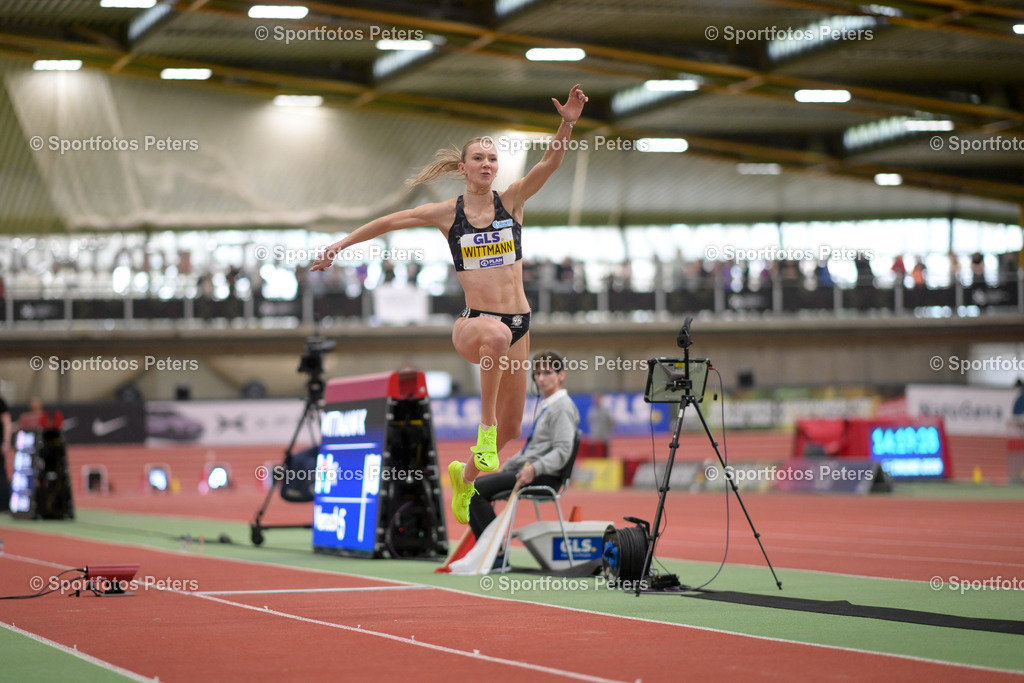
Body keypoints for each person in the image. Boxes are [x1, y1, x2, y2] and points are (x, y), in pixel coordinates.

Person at [311, 84, 589, 525]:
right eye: (478, 158)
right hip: (476, 323)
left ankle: (465, 477)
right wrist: (339, 246)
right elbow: (388, 221)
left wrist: (567, 122)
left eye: (492, 158)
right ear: (463, 167)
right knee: (495, 337)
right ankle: (484, 430)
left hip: (520, 323)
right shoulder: (447, 213)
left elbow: (551, 161)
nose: (487, 164)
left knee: (514, 426)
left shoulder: (512, 200)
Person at [467, 351, 579, 545]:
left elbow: (562, 451)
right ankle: (486, 551)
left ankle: (494, 551)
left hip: (543, 475)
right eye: (537, 374)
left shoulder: (561, 407)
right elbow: (533, 449)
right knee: (471, 491)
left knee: (475, 491)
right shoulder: (548, 406)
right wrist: (509, 465)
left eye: (547, 373)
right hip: (529, 470)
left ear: (561, 375)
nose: (541, 379)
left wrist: (534, 468)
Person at [0, 392, 11, 512]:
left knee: (1, 474)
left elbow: (7, 422)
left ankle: (4, 505)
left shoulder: (1, 402)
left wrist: (6, 441)